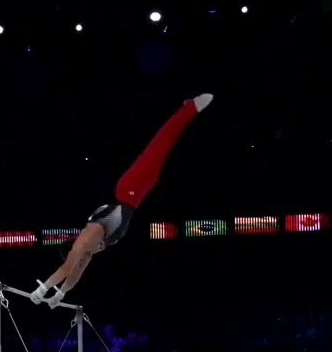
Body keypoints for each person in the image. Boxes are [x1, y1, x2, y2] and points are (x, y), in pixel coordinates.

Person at [30, 94, 215, 307]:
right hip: (135, 200)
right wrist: (59, 295)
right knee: (162, 151)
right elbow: (73, 276)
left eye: (73, 257)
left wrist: (41, 289)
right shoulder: (89, 253)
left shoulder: (85, 240)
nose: (77, 262)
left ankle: (190, 108)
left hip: (129, 190)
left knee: (159, 146)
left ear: (72, 248)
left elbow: (66, 269)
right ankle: (185, 111)